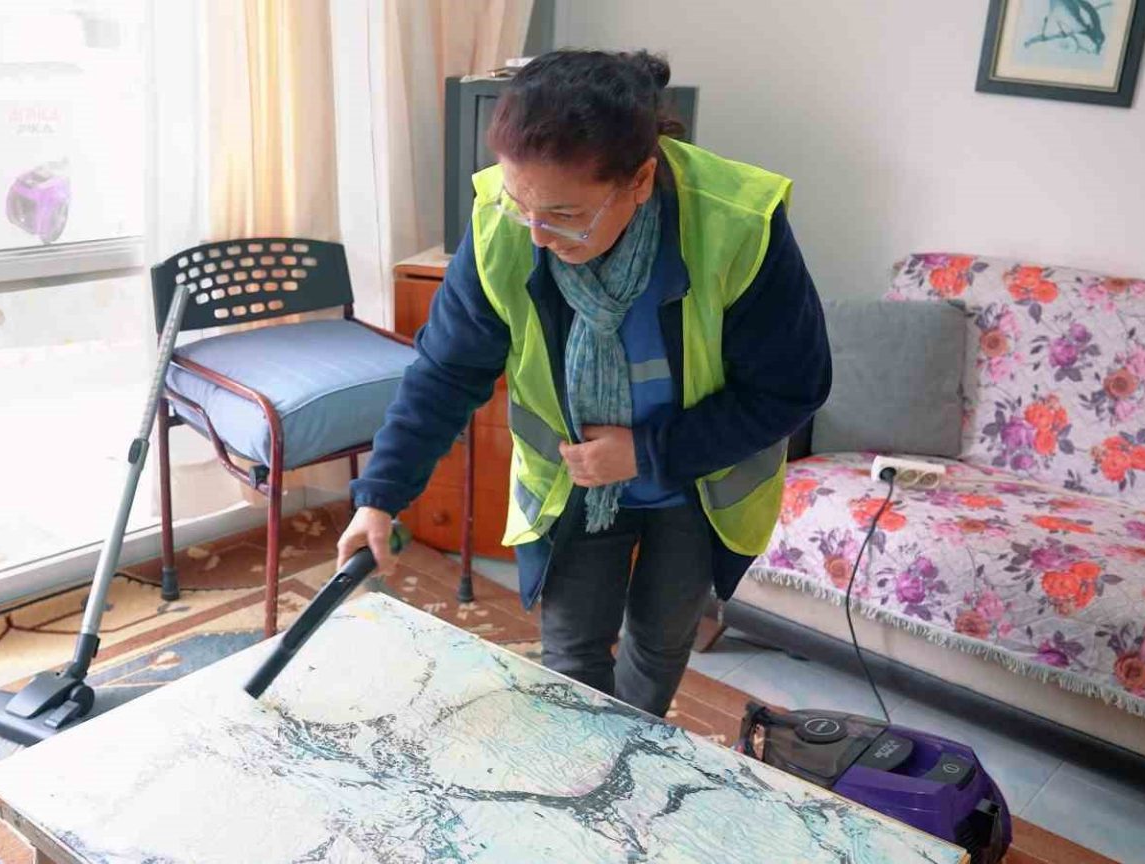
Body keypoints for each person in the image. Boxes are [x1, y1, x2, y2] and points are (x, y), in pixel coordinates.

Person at [338, 49, 831, 717]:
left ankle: (631, 755)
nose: (538, 237)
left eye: (565, 215)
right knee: (570, 656)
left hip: (699, 484)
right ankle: (585, 766)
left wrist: (646, 453)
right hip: (573, 484)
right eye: (522, 206)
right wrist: (380, 497)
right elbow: (446, 372)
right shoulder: (503, 225)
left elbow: (793, 386)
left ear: (640, 179)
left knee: (658, 646)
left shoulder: (737, 223)